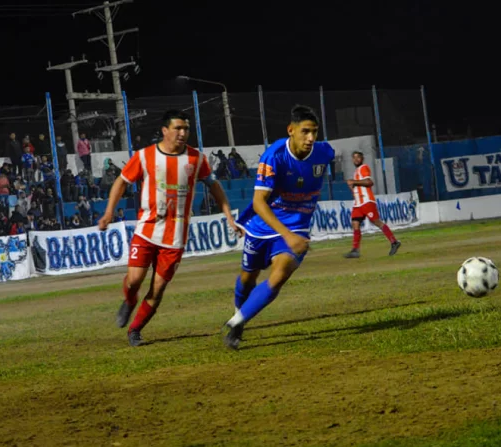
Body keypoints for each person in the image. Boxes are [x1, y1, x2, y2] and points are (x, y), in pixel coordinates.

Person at [98, 109, 242, 347]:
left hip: (175, 237)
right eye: (178, 128)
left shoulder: (196, 159)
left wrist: (228, 216)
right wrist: (108, 213)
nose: (182, 133)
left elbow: (214, 186)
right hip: (146, 230)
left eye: (186, 129)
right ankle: (130, 300)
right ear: (165, 130)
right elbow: (121, 182)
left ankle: (135, 330)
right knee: (134, 280)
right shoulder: (144, 156)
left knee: (158, 288)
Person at [223, 105, 334, 350]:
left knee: (279, 274)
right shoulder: (274, 156)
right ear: (290, 130)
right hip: (263, 227)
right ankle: (239, 315)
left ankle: (237, 322)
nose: (311, 138)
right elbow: (258, 202)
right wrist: (286, 234)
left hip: (297, 227)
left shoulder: (324, 152)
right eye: (305, 132)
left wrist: (292, 235)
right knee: (248, 277)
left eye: (315, 132)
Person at [344, 151, 401, 258]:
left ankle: (394, 242)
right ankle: (355, 250)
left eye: (358, 157)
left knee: (376, 222)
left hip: (366, 201)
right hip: (358, 203)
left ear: (362, 159)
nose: (356, 159)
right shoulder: (356, 172)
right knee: (355, 223)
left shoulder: (364, 168)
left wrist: (354, 182)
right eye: (354, 157)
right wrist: (352, 187)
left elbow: (369, 182)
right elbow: (358, 186)